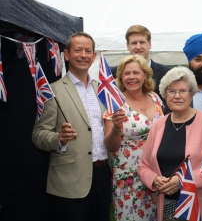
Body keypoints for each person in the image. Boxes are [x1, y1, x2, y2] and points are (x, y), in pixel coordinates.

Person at [32, 32, 111, 221]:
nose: (83, 55)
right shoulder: (53, 90)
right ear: (66, 54)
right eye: (78, 50)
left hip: (102, 176)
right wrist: (58, 138)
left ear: (93, 56)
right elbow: (38, 134)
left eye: (88, 51)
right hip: (69, 182)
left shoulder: (102, 89)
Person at [138, 67, 202, 221]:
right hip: (168, 206)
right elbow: (143, 166)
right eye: (171, 91)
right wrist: (154, 178)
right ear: (164, 95)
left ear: (191, 94)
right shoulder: (158, 125)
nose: (177, 96)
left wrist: (182, 181)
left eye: (182, 91)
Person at [104, 55, 164, 221]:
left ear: (145, 75)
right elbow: (110, 145)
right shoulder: (115, 103)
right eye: (126, 73)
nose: (131, 77)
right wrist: (116, 128)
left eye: (136, 72)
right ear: (121, 77)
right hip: (128, 179)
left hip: (156, 176)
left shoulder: (155, 98)